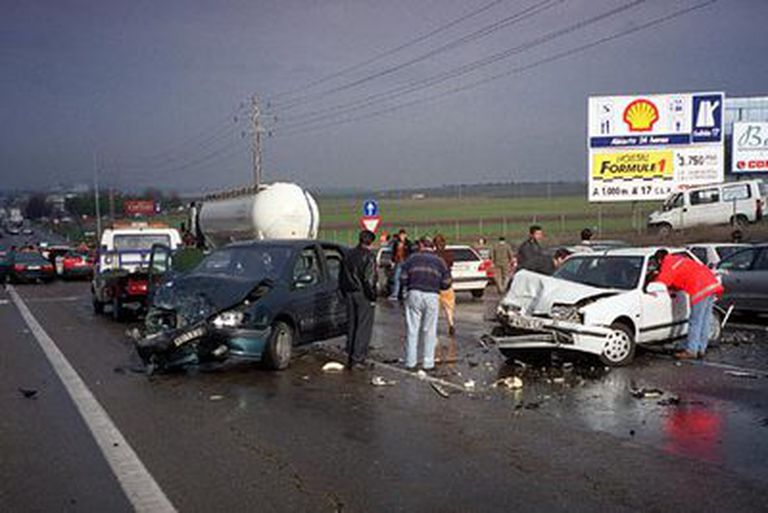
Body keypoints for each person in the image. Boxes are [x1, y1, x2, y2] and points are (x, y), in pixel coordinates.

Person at [651, 249, 723, 360]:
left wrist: (652, 278)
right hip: (711, 284)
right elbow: (682, 277)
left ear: (660, 260)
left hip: (700, 287)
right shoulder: (679, 259)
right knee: (705, 319)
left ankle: (691, 350)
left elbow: (662, 281)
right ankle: (701, 348)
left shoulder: (668, 263)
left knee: (695, 321)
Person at [400, 236, 452, 371]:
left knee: (412, 329)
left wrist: (409, 285)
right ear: (431, 246)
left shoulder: (412, 259)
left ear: (421, 245)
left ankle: (410, 362)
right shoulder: (439, 261)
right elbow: (447, 282)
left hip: (414, 292)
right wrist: (439, 286)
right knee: (430, 330)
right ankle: (428, 363)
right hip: (432, 295)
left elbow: (403, 277)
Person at [340, 230, 378, 370]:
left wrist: (344, 292)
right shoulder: (369, 257)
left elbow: (342, 275)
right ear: (371, 242)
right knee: (363, 327)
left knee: (352, 325)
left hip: (349, 292)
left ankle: (351, 356)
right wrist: (373, 296)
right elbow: (369, 279)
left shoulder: (348, 254)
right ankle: (358, 359)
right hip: (363, 294)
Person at [434, 234, 457, 363]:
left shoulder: (433, 255)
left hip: (435, 284)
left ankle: (434, 327)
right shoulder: (449, 254)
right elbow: (451, 264)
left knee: (435, 308)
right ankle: (451, 323)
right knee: (449, 307)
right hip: (447, 283)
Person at [388, 229, 412, 301]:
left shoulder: (408, 243)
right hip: (398, 262)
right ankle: (395, 294)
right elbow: (393, 252)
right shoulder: (396, 243)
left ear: (405, 235)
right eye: (400, 235)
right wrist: (392, 261)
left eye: (403, 235)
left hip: (406, 262)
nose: (402, 236)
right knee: (396, 278)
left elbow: (410, 253)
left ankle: (405, 293)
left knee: (405, 278)